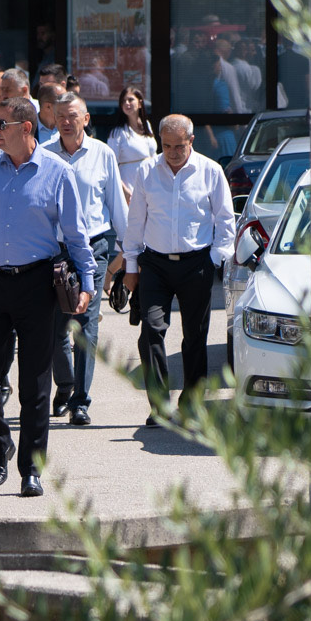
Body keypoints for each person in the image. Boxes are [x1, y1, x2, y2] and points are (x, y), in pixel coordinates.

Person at [0, 96, 94, 497]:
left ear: (26, 128)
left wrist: (88, 282)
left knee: (35, 383)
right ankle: (0, 448)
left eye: (1, 124)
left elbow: (76, 235)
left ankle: (31, 468)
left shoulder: (58, 172)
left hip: (37, 285)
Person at [121, 114, 235, 423]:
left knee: (195, 336)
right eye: (167, 145)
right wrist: (130, 265)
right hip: (155, 264)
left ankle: (191, 403)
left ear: (191, 141)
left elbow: (226, 220)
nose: (172, 152)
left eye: (179, 146)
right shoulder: (147, 170)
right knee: (151, 331)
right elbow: (136, 221)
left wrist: (215, 259)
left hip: (197, 264)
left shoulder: (210, 171)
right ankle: (159, 405)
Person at [40, 94, 129, 425]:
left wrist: (129, 253)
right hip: (54, 250)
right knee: (55, 327)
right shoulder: (44, 153)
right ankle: (65, 386)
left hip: (94, 247)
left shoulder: (102, 153)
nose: (66, 121)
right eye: (60, 115)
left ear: (86, 119)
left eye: (72, 115)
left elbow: (116, 205)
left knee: (86, 323)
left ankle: (81, 400)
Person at [110, 86, 156, 203]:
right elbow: (110, 165)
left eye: (130, 100)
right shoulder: (117, 132)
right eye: (123, 101)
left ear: (140, 103)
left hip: (150, 183)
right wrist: (123, 190)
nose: (127, 103)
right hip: (129, 186)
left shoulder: (146, 125)